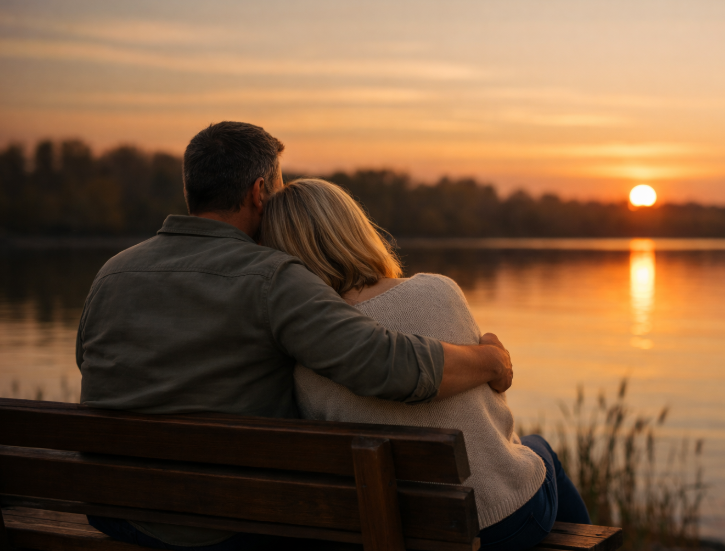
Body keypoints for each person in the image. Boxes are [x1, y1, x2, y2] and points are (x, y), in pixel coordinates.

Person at [77, 122, 513, 551]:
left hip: (112, 508)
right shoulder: (272, 278)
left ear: (192, 189)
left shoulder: (113, 272)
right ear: (258, 191)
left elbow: (88, 362)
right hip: (217, 526)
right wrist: (489, 361)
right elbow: (388, 367)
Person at [260, 178, 591, 551]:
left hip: (402, 536)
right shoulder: (438, 291)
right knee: (538, 448)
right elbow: (494, 397)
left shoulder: (303, 355)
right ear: (355, 229)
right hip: (504, 524)